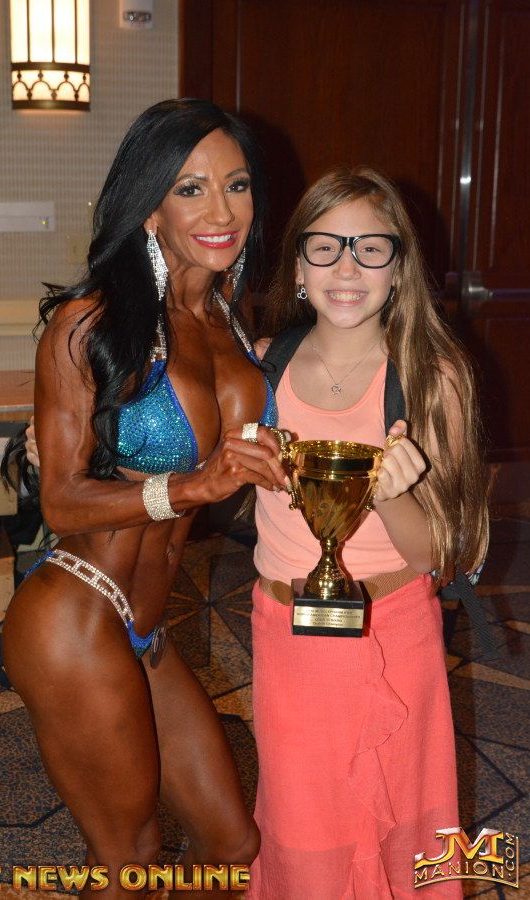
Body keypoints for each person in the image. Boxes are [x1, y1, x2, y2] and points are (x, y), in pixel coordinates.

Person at [2, 98, 289, 899]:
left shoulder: (231, 322)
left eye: (237, 185)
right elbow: (61, 502)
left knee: (232, 845)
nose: (222, 211)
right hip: (73, 618)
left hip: (149, 628)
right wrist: (194, 485)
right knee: (129, 860)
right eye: (191, 188)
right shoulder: (90, 323)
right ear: (150, 207)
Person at [248, 168, 489, 899]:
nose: (347, 268)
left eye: (370, 248)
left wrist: (392, 496)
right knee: (301, 829)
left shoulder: (431, 376)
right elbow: (182, 453)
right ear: (297, 267)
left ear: (398, 269)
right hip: (289, 638)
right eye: (325, 247)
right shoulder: (262, 365)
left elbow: (440, 554)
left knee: (402, 826)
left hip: (394, 634)